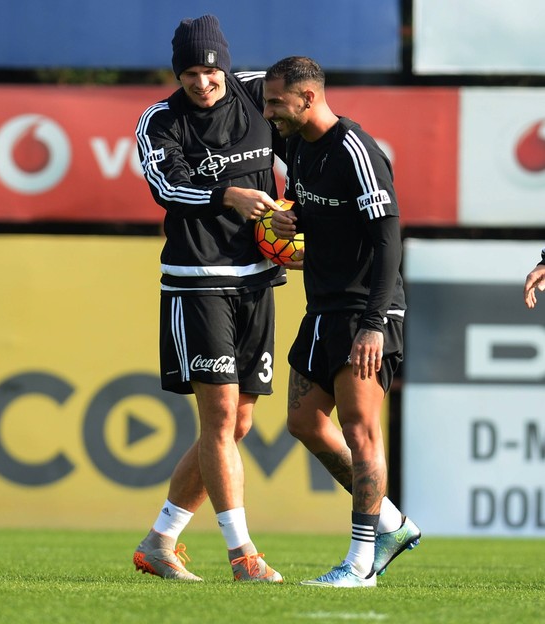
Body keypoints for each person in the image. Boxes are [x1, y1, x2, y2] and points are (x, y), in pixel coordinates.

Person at [132, 15, 287, 583]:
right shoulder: (160, 120)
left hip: (257, 278)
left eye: (210, 68)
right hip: (197, 279)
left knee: (238, 424)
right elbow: (165, 187)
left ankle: (159, 541)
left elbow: (296, 113)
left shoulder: (253, 89)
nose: (203, 82)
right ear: (179, 74)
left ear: (225, 63)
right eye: (191, 72)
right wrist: (230, 195)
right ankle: (243, 555)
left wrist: (299, 204)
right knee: (220, 418)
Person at [263, 56, 420, 588]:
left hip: (365, 312)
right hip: (322, 308)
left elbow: (387, 237)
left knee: (360, 430)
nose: (269, 112)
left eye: (276, 102)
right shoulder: (297, 149)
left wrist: (376, 323)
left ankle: (361, 565)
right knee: (304, 422)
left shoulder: (356, 148)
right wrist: (294, 219)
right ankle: (391, 522)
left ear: (308, 97)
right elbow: (329, 213)